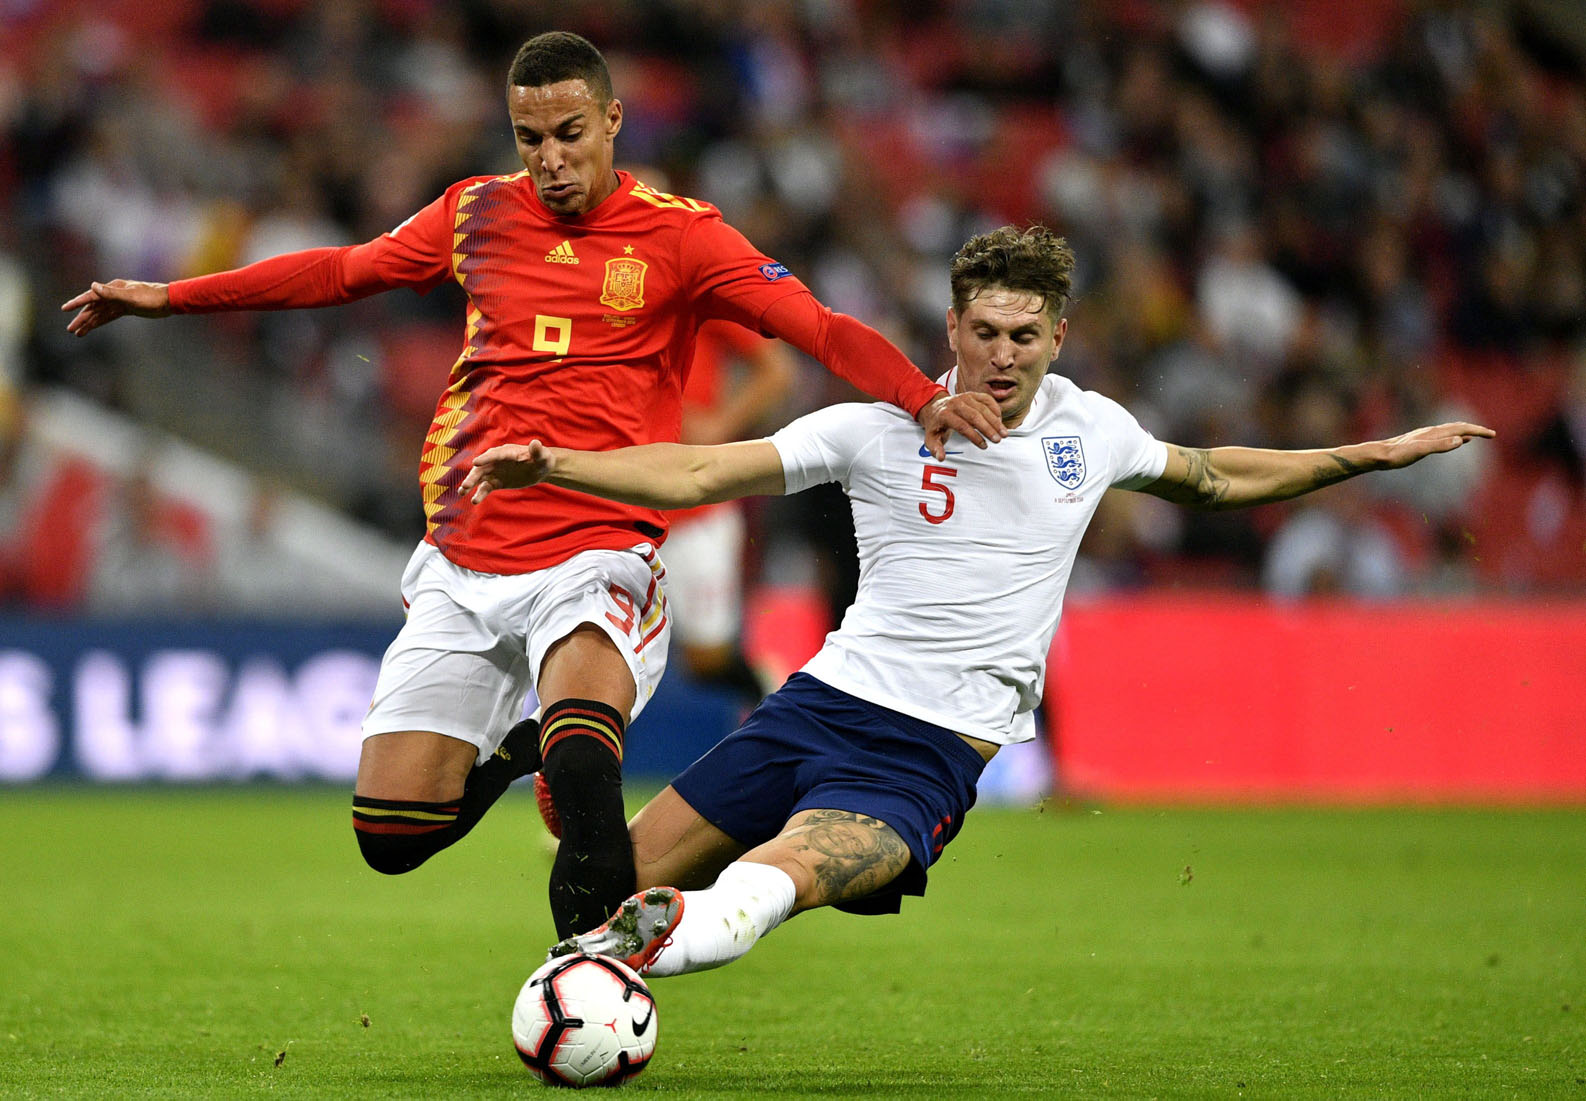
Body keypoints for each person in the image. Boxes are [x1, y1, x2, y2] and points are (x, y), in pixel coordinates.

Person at [59, 31, 1004, 939]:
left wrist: (925, 396)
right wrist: (169, 296)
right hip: (465, 554)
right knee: (391, 838)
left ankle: (588, 978)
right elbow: (344, 273)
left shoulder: (682, 238)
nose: (550, 158)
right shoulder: (475, 212)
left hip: (597, 550)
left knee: (590, 768)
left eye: (569, 134)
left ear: (613, 122)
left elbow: (819, 326)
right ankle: (524, 748)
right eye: (530, 138)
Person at [459, 224, 1494, 976]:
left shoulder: (1090, 433)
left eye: (1025, 335)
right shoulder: (871, 429)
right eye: (985, 331)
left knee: (768, 886)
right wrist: (557, 463)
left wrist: (1369, 455)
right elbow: (695, 476)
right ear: (950, 327)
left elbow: (1217, 475)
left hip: (930, 747)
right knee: (599, 882)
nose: (1002, 355)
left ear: (1056, 337)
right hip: (814, 706)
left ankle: (625, 977)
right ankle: (594, 994)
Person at [665, 321, 795, 702]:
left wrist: (719, 425)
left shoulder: (692, 283)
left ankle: (775, 700)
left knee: (707, 659)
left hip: (694, 508)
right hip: (615, 507)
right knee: (603, 652)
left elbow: (778, 369)